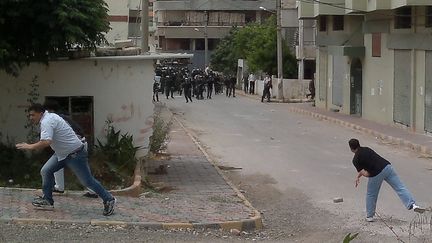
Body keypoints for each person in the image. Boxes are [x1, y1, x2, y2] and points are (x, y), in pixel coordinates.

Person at [16, 103, 116, 216]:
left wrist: (29, 146)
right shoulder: (50, 116)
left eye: (32, 115)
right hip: (62, 154)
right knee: (46, 171)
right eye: (29, 115)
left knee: (87, 181)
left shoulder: (46, 121)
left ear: (40, 113)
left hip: (75, 154)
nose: (31, 118)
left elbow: (46, 142)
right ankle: (47, 200)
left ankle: (109, 199)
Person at [348, 138, 425, 222]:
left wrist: (370, 173)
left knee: (371, 194)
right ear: (359, 144)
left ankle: (370, 216)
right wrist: (360, 175)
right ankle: (413, 205)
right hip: (387, 167)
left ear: (351, 148)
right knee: (400, 187)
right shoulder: (367, 149)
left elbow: (366, 173)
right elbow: (372, 161)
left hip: (376, 174)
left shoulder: (355, 160)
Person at [43, 100, 98, 198]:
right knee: (56, 165)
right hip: (77, 144)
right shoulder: (60, 118)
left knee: (81, 170)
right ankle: (59, 187)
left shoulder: (56, 119)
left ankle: (96, 192)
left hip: (76, 146)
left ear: (50, 110)